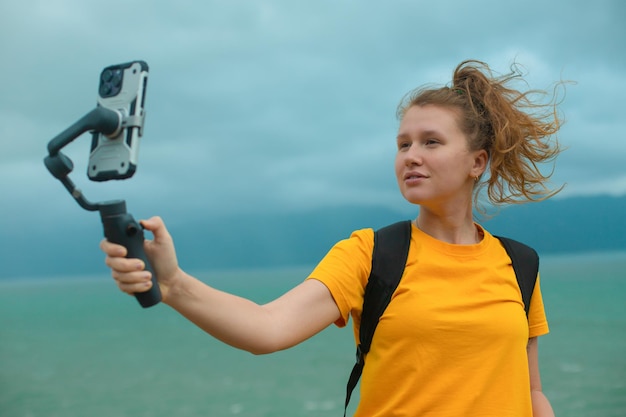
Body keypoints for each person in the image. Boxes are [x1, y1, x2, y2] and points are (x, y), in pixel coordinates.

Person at [101, 59, 564, 416]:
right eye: (403, 144)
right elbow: (267, 329)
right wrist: (175, 285)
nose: (410, 156)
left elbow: (531, 390)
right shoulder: (370, 253)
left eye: (431, 142)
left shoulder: (519, 263)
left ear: (477, 162)